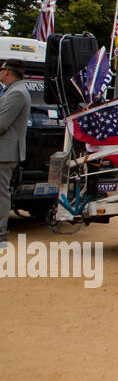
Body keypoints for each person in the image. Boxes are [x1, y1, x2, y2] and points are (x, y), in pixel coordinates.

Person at [0, 59, 31, 246]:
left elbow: (2, 124)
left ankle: (1, 236)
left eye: (1, 68)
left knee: (1, 194)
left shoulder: (17, 93)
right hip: (5, 151)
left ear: (8, 72)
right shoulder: (12, 91)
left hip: (4, 152)